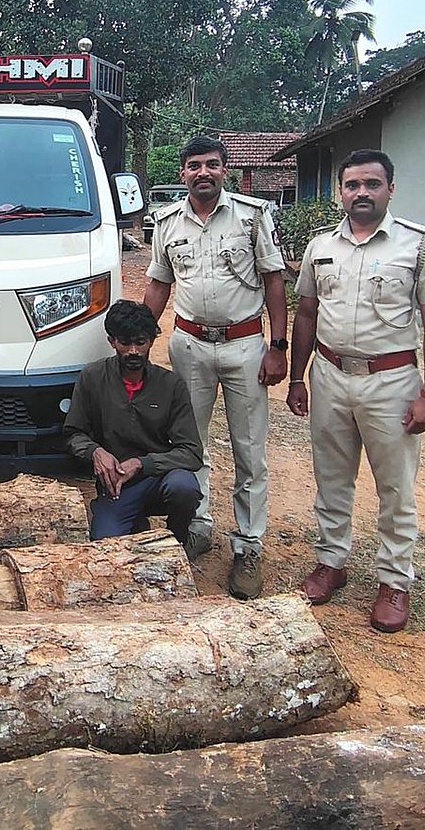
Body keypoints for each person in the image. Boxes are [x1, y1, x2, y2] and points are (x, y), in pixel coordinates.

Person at [287, 148, 425, 634]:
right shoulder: (321, 246)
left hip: (391, 382)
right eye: (352, 185)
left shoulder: (418, 245)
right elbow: (306, 315)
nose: (361, 193)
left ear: (390, 189)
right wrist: (297, 377)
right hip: (330, 376)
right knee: (331, 478)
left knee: (395, 487)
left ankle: (394, 582)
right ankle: (330, 562)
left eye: (372, 184)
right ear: (340, 191)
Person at [143, 134, 288, 600]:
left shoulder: (252, 216)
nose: (202, 172)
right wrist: (139, 342)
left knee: (250, 450)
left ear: (225, 169)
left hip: (244, 345)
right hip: (189, 345)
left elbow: (274, 281)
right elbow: (159, 284)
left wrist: (278, 347)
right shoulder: (167, 222)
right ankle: (197, 526)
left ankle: (248, 546)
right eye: (194, 166)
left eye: (211, 164)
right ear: (182, 173)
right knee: (191, 443)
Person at [64, 300, 204, 548]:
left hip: (160, 478)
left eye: (140, 342)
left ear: (152, 341)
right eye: (125, 342)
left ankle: (178, 543)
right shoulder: (93, 377)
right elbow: (73, 433)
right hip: (116, 487)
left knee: (184, 487)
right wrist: (95, 452)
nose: (133, 351)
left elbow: (192, 453)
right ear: (112, 341)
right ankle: (135, 523)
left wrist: (142, 464)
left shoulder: (171, 385)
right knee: (106, 548)